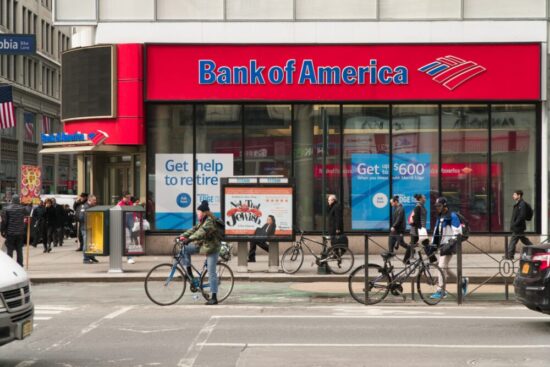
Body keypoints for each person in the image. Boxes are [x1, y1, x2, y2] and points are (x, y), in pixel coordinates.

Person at [179, 200, 221, 305]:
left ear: (204, 212)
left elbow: (200, 233)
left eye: (198, 212)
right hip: (203, 245)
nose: (197, 214)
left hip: (212, 248)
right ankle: (189, 274)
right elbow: (194, 229)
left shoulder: (210, 221)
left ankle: (214, 297)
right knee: (185, 249)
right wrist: (182, 236)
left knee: (211, 272)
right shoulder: (203, 221)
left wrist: (189, 239)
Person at [430, 197, 468, 300]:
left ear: (445, 205)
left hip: (449, 246)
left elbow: (458, 232)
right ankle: (463, 280)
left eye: (439, 206)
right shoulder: (440, 216)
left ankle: (441, 291)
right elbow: (436, 232)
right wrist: (433, 244)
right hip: (442, 246)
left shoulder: (452, 216)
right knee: (445, 267)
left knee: (441, 266)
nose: (437, 208)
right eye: (436, 206)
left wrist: (449, 244)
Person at [1, 195, 29, 266]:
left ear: (12, 200)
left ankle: (10, 265)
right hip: (20, 232)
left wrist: (2, 230)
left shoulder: (7, 209)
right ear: (18, 200)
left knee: (10, 250)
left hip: (10, 232)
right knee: (19, 250)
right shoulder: (22, 208)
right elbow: (28, 213)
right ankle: (20, 264)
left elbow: (4, 221)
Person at [506, 190, 533, 260]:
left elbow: (522, 216)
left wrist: (515, 224)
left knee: (513, 240)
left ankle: (510, 255)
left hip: (518, 227)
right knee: (524, 240)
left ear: (519, 195)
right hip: (518, 227)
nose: (513, 196)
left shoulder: (522, 204)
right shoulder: (518, 204)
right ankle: (534, 249)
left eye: (514, 195)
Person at [406, 194, 428, 263]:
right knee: (425, 243)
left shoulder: (420, 206)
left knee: (414, 244)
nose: (425, 199)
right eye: (424, 198)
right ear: (421, 199)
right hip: (417, 230)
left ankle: (406, 260)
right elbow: (415, 219)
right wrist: (420, 228)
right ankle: (433, 259)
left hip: (418, 229)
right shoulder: (418, 207)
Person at [117, 191, 136, 264]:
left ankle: (129, 256)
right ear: (123, 197)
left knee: (129, 241)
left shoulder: (130, 204)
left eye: (130, 198)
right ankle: (127, 256)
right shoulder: (120, 204)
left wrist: (135, 219)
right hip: (123, 225)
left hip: (130, 224)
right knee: (126, 241)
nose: (129, 199)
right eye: (127, 198)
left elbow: (133, 213)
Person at [81, 195, 99, 264]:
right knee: (86, 243)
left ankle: (91, 257)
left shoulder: (92, 206)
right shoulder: (85, 207)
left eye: (95, 200)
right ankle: (85, 258)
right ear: (89, 200)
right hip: (86, 228)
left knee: (91, 243)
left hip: (92, 227)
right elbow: (81, 217)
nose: (95, 201)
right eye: (94, 200)